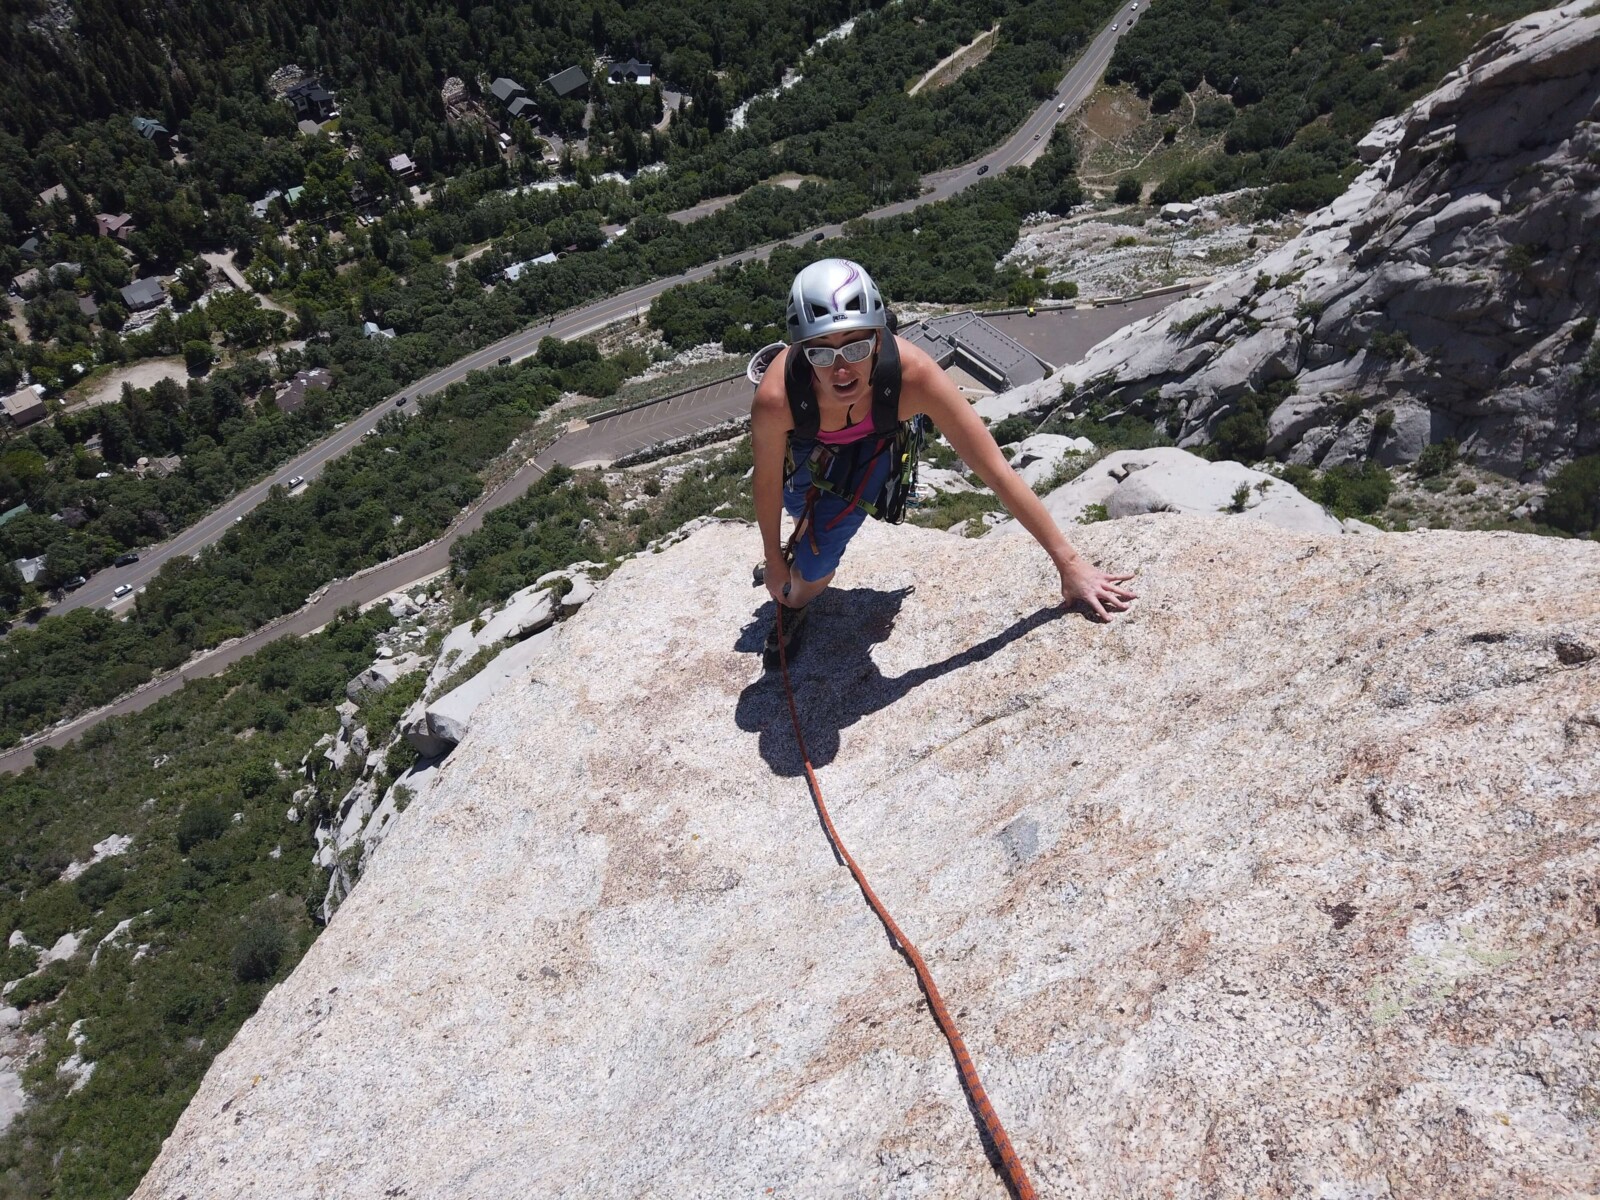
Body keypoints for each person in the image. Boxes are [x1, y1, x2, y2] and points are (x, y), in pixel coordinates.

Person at [751, 258, 1137, 660]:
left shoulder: (914, 378)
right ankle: (795, 551)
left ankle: (794, 601)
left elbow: (995, 471)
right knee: (798, 508)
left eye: (856, 347)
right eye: (822, 354)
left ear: (879, 339)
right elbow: (766, 484)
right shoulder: (778, 398)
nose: (842, 369)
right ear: (802, 351)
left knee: (814, 568)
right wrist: (773, 559)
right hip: (804, 439)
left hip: (875, 443)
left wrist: (1070, 564)